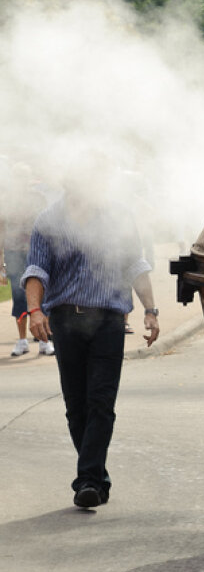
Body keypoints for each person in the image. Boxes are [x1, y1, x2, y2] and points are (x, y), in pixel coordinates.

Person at [22, 167, 160, 509]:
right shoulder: (48, 220)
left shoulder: (119, 216)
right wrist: (35, 310)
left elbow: (135, 264)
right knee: (76, 407)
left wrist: (151, 310)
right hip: (66, 321)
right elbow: (36, 269)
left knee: (100, 402)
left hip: (109, 321)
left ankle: (87, 480)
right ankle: (96, 478)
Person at [3, 164, 53, 356]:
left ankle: (44, 340)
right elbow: (1, 228)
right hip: (13, 251)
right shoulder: (6, 201)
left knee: (42, 295)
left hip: (36, 251)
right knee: (18, 296)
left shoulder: (38, 198)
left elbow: (47, 225)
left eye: (23, 176)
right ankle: (22, 340)